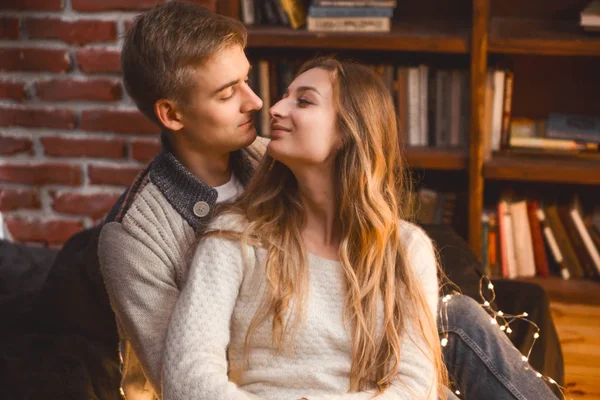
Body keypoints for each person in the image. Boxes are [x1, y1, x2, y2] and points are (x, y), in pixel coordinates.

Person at [98, 2, 560, 399]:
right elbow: (182, 380)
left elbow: (357, 234)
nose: (260, 104)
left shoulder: (268, 154)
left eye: (247, 80)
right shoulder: (138, 236)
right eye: (227, 93)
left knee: (457, 314)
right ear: (172, 114)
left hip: (360, 358)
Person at [163, 58, 447, 399]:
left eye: (304, 101)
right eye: (284, 96)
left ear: (349, 130)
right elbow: (187, 376)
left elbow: (416, 388)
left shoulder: (405, 248)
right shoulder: (236, 235)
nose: (276, 108)